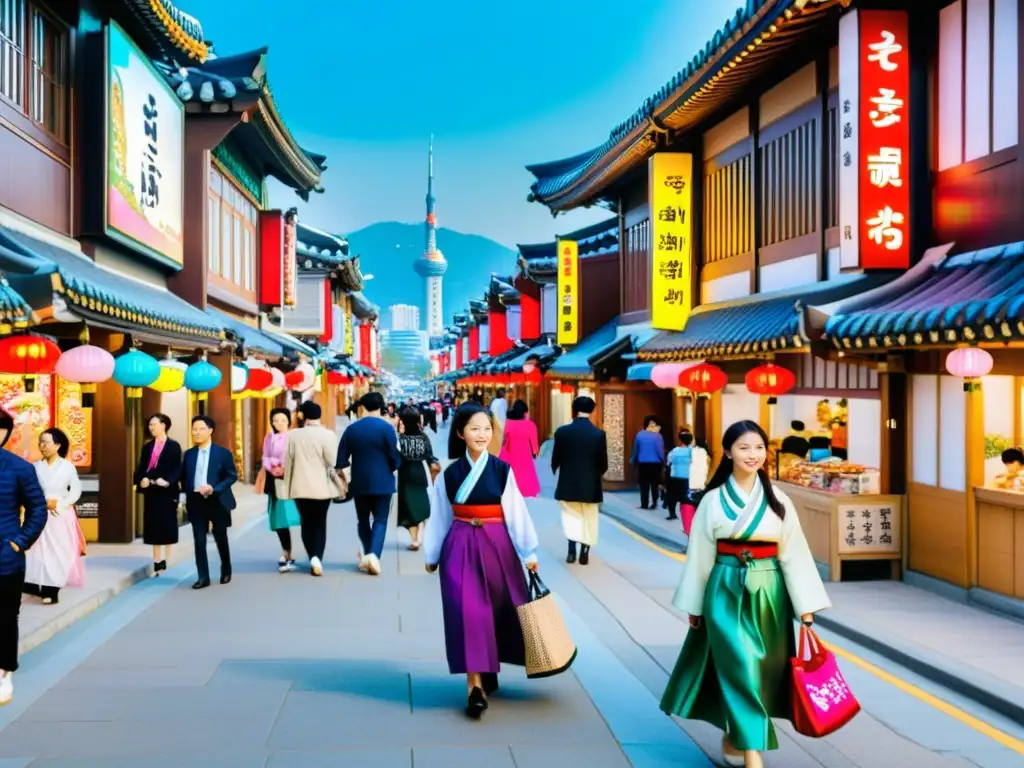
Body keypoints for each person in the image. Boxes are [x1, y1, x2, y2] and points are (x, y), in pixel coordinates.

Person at [660, 420, 831, 768]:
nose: (752, 455)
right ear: (727, 453)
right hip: (724, 586)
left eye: (758, 448)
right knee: (741, 665)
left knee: (762, 668)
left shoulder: (778, 499)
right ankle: (753, 753)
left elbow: (794, 553)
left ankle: (734, 731)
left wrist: (806, 607)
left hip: (770, 592)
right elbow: (701, 555)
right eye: (743, 448)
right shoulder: (712, 500)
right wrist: (694, 603)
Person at [423, 403, 539, 719]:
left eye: (487, 428)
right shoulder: (449, 475)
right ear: (460, 433)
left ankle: (488, 670)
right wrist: (432, 554)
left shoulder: (502, 471)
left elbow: (516, 512)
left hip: (497, 544)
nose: (482, 435)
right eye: (475, 429)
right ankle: (474, 685)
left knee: (499, 609)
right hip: (460, 545)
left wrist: (528, 552)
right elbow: (440, 518)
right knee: (467, 612)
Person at [0, 408, 47, 704]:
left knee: (4, 618)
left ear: (5, 434)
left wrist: (19, 541)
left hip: (5, 559)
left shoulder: (19, 468)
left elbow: (38, 509)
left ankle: (4, 672)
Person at [336, 392, 402, 575]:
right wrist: (394, 466)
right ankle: (374, 556)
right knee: (380, 519)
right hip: (383, 481)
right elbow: (395, 457)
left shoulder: (352, 429)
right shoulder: (387, 428)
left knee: (363, 519)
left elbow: (341, 460)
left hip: (359, 481)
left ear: (363, 407)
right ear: (382, 406)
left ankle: (367, 553)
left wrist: (346, 475)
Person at [281, 401, 342, 577]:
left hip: (300, 486)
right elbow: (333, 462)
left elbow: (289, 463)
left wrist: (287, 487)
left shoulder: (293, 436)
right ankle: (317, 558)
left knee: (306, 522)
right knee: (320, 522)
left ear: (303, 416)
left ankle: (311, 556)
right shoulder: (328, 435)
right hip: (323, 487)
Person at [24, 428, 84, 605]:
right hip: (38, 512)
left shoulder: (68, 467)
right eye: (40, 442)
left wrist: (60, 503)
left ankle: (52, 589)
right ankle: (35, 584)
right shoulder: (34, 467)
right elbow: (29, 490)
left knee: (58, 550)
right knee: (36, 550)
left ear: (57, 445)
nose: (42, 446)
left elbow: (75, 491)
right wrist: (40, 502)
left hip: (60, 514)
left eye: (46, 442)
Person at [182, 415, 237, 590]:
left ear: (210, 431)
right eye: (194, 429)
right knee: (199, 540)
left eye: (201, 429)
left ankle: (226, 568)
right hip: (196, 501)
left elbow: (231, 476)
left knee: (220, 536)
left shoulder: (222, 453)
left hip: (217, 500)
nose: (196, 433)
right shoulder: (189, 455)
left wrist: (214, 488)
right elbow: (185, 478)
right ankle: (203, 576)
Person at [551, 396, 607, 565]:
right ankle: (585, 551)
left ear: (574, 410)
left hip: (568, 483)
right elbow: (603, 463)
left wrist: (556, 467)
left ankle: (571, 551)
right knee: (589, 518)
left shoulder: (562, 432)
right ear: (592, 411)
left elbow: (556, 459)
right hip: (590, 485)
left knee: (570, 517)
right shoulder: (598, 434)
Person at [133, 413, 182, 576]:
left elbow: (177, 468)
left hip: (167, 491)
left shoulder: (174, 446)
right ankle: (156, 560)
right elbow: (141, 467)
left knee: (167, 524)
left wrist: (168, 481)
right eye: (150, 425)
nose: (151, 427)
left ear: (164, 425)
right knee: (153, 525)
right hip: (152, 491)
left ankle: (167, 559)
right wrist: (141, 480)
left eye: (154, 424)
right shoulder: (147, 447)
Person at [262, 408, 301, 572]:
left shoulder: (293, 437)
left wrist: (284, 467)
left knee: (295, 515)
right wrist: (273, 467)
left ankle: (312, 552)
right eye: (275, 420)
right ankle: (287, 552)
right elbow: (265, 456)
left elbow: (294, 456)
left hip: (291, 481)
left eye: (283, 420)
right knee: (279, 520)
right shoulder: (269, 437)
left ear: (288, 421)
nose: (278, 423)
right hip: (274, 480)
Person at [397, 407, 440, 550]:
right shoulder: (423, 437)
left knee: (407, 507)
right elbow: (430, 456)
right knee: (421, 501)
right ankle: (422, 531)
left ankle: (415, 540)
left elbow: (395, 458)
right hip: (420, 473)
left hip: (405, 474)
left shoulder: (401, 439)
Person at [499, 400, 540, 498]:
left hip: (510, 459)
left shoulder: (508, 423)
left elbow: (503, 441)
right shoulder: (531, 425)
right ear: (525, 413)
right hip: (526, 461)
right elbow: (535, 449)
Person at [631, 415, 666, 509]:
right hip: (656, 463)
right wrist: (664, 461)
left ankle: (644, 504)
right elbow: (660, 450)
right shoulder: (658, 436)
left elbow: (636, 449)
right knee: (654, 483)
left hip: (643, 462)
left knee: (644, 484)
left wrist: (633, 459)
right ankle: (654, 502)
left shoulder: (639, 435)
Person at [665, 430, 694, 522]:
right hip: (687, 477)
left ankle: (672, 514)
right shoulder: (692, 451)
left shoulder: (674, 451)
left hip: (675, 476)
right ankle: (686, 515)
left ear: (680, 440)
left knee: (672, 496)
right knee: (686, 498)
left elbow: (668, 462)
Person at [488, 387, 508, 457]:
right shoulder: (504, 401)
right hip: (502, 422)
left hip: (496, 422)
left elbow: (491, 412)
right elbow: (505, 411)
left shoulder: (494, 402)